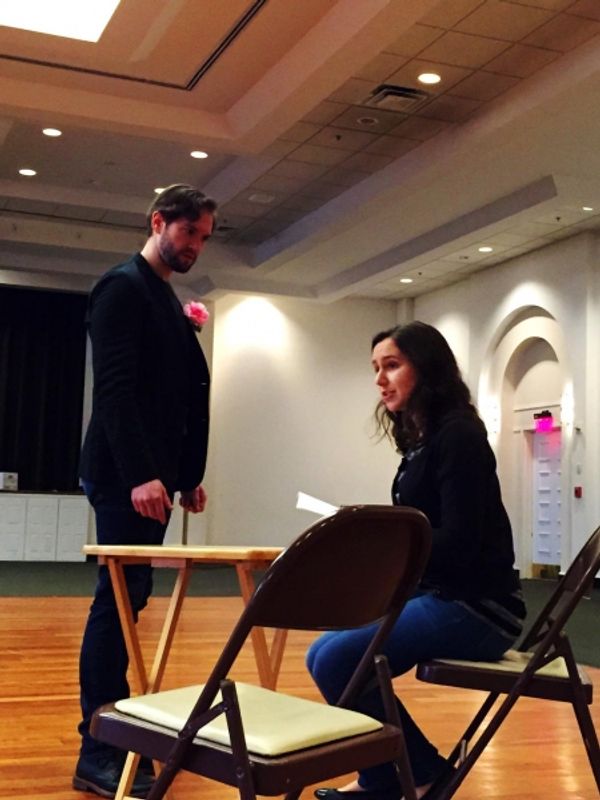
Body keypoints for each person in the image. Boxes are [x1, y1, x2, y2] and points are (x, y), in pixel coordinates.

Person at [307, 321, 526, 800]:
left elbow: (460, 543)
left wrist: (388, 547)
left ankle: (420, 774)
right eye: (376, 369)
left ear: (424, 369)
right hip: (445, 594)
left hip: (480, 609)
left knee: (340, 660)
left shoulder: (459, 436)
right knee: (320, 655)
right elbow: (429, 531)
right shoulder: (424, 439)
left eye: (391, 366)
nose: (379, 380)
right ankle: (385, 776)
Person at [73, 184, 217, 798]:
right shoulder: (122, 288)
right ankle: (97, 748)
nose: (195, 247)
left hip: (151, 482)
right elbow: (117, 392)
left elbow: (177, 395)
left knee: (131, 601)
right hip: (123, 479)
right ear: (158, 222)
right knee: (116, 606)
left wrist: (185, 475)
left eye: (205, 239)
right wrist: (140, 474)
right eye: (189, 233)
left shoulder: (161, 295)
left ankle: (118, 730)